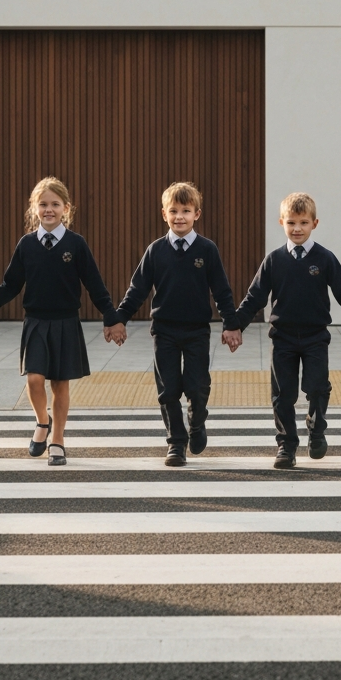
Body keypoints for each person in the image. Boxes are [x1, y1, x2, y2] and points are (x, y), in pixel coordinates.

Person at [0, 177, 122, 466]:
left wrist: (112, 319)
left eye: (55, 204)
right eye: (43, 204)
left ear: (66, 208)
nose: (49, 210)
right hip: (36, 323)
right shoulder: (26, 245)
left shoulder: (76, 244)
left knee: (60, 385)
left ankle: (58, 440)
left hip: (65, 323)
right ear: (34, 208)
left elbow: (95, 286)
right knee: (35, 379)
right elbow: (10, 286)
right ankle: (42, 422)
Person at [229, 192, 341, 469]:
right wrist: (235, 326)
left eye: (303, 223)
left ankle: (316, 427)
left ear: (315, 224)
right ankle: (286, 446)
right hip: (282, 337)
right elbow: (255, 298)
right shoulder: (274, 260)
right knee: (282, 393)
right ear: (281, 222)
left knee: (318, 388)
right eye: (291, 222)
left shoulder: (325, 258)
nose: (297, 228)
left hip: (315, 337)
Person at [109, 181, 240, 467]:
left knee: (197, 385)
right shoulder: (156, 251)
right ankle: (176, 443)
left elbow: (221, 291)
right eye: (174, 211)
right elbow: (137, 290)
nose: (179, 216)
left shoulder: (207, 250)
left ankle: (197, 422)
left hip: (196, 331)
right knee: (168, 389)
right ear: (164, 214)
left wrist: (231, 325)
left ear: (197, 214)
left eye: (186, 210)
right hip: (164, 331)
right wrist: (118, 319)